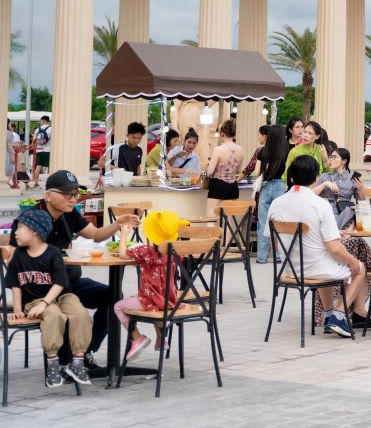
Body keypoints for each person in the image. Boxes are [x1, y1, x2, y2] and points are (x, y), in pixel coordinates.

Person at [30, 170, 137, 366]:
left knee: (113, 295)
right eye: (67, 194)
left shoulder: (69, 214)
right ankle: (64, 362)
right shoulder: (32, 218)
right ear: (49, 195)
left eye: (75, 194)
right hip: (43, 288)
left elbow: (95, 234)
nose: (72, 199)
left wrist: (117, 225)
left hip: (71, 281)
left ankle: (87, 350)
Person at [267, 155, 367, 336]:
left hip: (289, 271)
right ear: (316, 178)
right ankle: (339, 314)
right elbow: (335, 248)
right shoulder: (320, 204)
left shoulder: (276, 203)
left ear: (290, 177)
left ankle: (329, 315)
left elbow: (273, 245)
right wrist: (352, 261)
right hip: (316, 269)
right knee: (359, 268)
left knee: (326, 265)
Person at [3, 209, 92, 387]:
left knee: (81, 314)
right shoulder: (19, 256)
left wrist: (46, 302)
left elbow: (60, 283)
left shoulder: (53, 253)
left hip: (61, 295)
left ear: (35, 231)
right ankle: (53, 363)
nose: (15, 232)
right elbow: (15, 285)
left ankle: (78, 361)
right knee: (54, 316)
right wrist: (19, 310)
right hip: (35, 299)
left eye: (20, 227)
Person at [114, 210, 187, 361]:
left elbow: (122, 254)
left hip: (149, 300)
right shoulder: (177, 252)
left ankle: (137, 338)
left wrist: (123, 235)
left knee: (119, 306)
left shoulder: (145, 251)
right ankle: (161, 339)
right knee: (158, 307)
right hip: (170, 300)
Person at [255, 125, 291, 264]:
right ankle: (278, 255)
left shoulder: (263, 151)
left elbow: (257, 172)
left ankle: (262, 256)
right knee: (279, 221)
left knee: (263, 222)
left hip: (266, 186)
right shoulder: (287, 151)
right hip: (281, 187)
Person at [314, 147, 364, 228]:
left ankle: (343, 234)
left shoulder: (352, 178)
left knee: (350, 214)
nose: (330, 159)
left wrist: (361, 188)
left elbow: (361, 201)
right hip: (326, 211)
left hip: (345, 211)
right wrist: (324, 184)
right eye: (330, 157)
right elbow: (311, 194)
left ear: (344, 161)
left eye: (334, 157)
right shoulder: (325, 176)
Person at [204, 118, 245, 217]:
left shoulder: (218, 149)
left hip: (218, 185)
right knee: (229, 222)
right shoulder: (240, 150)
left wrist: (207, 166)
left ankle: (215, 233)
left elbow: (209, 172)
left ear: (222, 133)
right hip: (233, 187)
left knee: (212, 218)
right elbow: (239, 170)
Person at [31, 115, 51, 189]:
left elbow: (34, 140)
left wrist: (33, 144)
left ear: (43, 121)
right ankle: (50, 184)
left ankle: (36, 184)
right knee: (49, 167)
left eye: (41, 121)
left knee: (38, 166)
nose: (40, 122)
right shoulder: (51, 129)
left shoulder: (37, 129)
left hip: (39, 150)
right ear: (47, 121)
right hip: (47, 150)